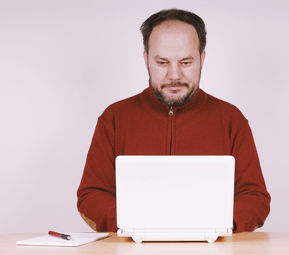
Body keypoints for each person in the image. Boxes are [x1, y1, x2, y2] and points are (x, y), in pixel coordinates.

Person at [77, 8, 270, 233]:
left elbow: (256, 198)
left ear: (202, 59)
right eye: (162, 62)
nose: (175, 75)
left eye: (186, 62)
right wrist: (139, 223)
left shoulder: (231, 119)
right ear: (146, 59)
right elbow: (91, 196)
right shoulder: (114, 118)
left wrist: (213, 224)